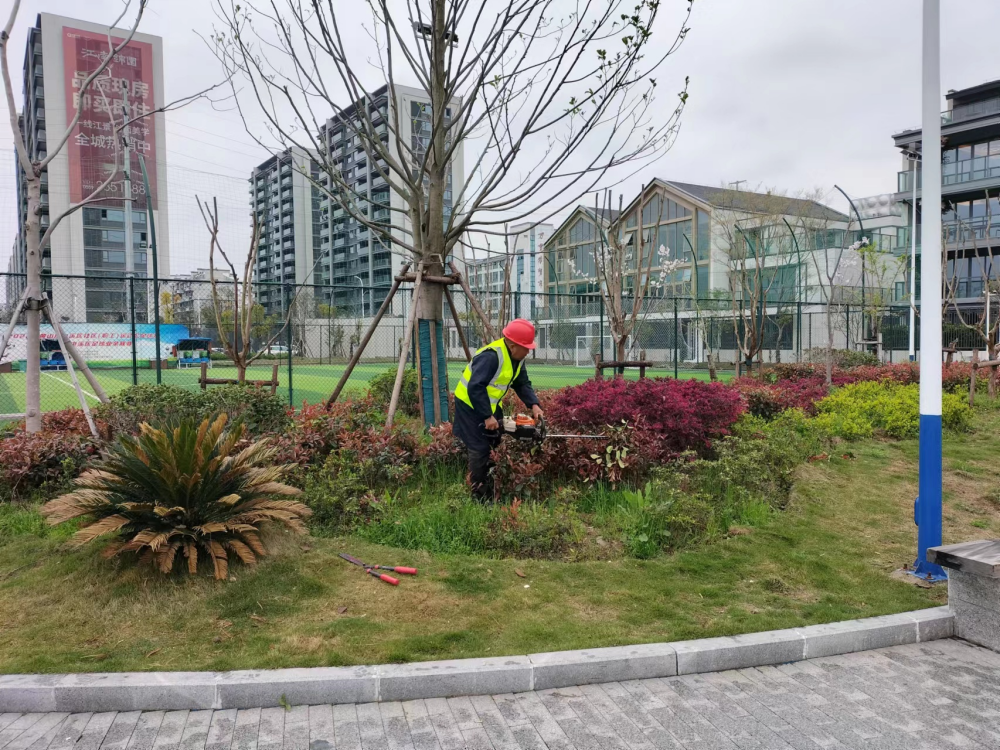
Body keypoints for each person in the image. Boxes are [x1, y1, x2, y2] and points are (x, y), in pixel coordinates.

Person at [453, 318, 543, 501]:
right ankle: (478, 497)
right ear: (512, 345)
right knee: (479, 447)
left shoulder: (517, 359)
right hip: (469, 404)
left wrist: (534, 405)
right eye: (526, 347)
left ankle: (492, 487)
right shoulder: (491, 357)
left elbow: (522, 383)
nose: (528, 351)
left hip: (490, 404)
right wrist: (487, 416)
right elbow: (475, 387)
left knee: (494, 442)